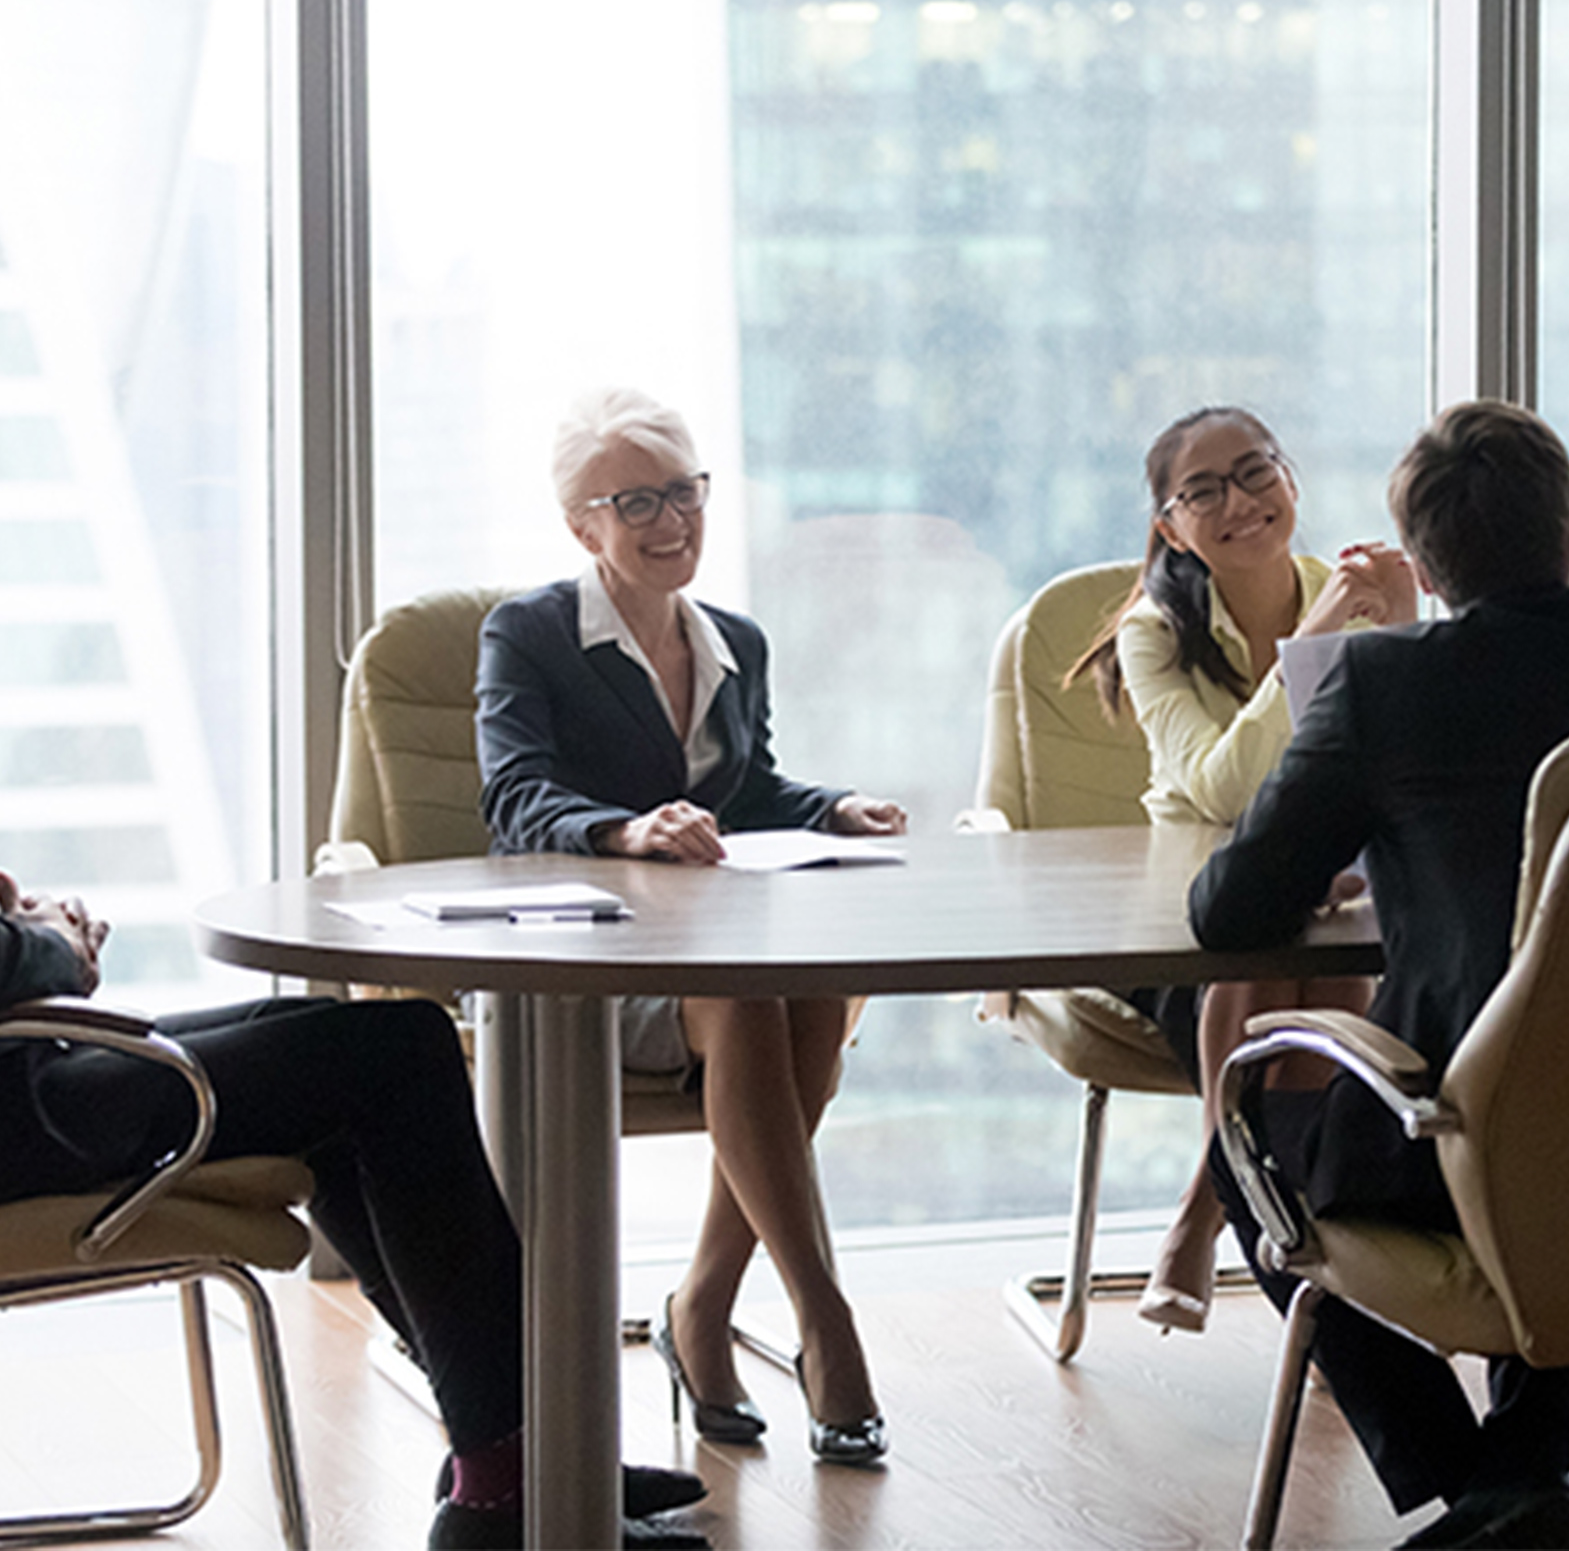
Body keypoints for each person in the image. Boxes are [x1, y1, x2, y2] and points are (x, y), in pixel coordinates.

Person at [1187, 400, 1569, 1549]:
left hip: (1460, 1138)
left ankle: (1484, 1485)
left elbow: (1229, 911)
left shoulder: (1385, 687)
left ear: (1430, 570)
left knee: (1248, 1157)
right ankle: (1526, 1466)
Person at [0, 870, 709, 1550]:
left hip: (34, 1078)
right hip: (29, 1114)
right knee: (400, 1052)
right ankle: (507, 1476)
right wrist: (53, 942)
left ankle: (516, 1450)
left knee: (327, 1037)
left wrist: (23, 923)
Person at [476, 388, 902, 1465]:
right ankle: (825, 1319)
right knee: (753, 993)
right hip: (581, 972)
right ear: (585, 527)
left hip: (713, 961)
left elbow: (747, 791)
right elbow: (515, 797)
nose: (672, 521)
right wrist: (625, 830)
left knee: (816, 989)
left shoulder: (734, 644)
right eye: (637, 503)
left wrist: (831, 809)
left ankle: (703, 1306)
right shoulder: (528, 636)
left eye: (685, 492)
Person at [1071, 406, 1415, 1332]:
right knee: (1279, 966)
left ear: (1291, 480)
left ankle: (1215, 1213)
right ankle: (1327, 1295)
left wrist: (1405, 619)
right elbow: (1223, 791)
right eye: (1203, 491)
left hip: (1329, 901)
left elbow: (1398, 760)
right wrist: (1321, 636)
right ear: (1169, 527)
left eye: (1256, 472)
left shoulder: (1356, 591)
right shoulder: (1154, 632)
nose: (1239, 502)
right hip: (1179, 920)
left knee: (1311, 968)